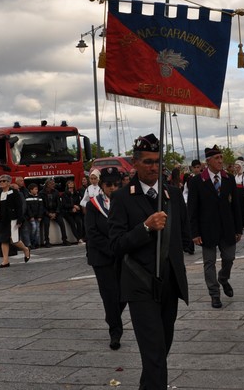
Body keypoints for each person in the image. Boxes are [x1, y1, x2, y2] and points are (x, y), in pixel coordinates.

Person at [108, 134, 189, 390]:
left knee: (161, 349)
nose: (154, 167)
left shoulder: (172, 194)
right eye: (148, 162)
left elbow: (182, 235)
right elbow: (115, 244)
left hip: (169, 284)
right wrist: (144, 227)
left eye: (157, 162)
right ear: (135, 162)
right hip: (140, 284)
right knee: (153, 353)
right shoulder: (122, 198)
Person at [186, 145, 243, 309]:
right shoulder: (197, 181)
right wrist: (195, 233)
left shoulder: (228, 178)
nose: (220, 161)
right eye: (217, 158)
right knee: (209, 262)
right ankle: (214, 294)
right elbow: (192, 209)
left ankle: (223, 278)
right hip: (207, 229)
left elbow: (236, 207)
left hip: (227, 228)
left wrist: (238, 228)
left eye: (221, 157)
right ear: (208, 161)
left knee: (229, 258)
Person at [84, 166, 127, 350]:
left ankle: (112, 316)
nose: (112, 188)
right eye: (108, 184)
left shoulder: (125, 203)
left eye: (116, 184)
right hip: (102, 257)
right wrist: (112, 248)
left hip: (123, 256)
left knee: (124, 293)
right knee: (109, 294)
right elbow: (92, 233)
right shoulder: (93, 205)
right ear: (102, 185)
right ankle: (115, 332)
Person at [0, 174, 30, 267]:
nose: (1, 183)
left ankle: (25, 249)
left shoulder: (14, 192)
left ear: (8, 183)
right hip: (3, 220)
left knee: (14, 240)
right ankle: (5, 261)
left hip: (13, 219)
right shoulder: (0, 193)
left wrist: (20, 219)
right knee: (3, 240)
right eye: (0, 181)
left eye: (4, 181)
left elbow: (19, 207)